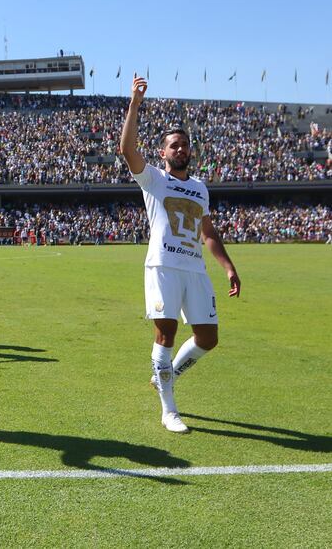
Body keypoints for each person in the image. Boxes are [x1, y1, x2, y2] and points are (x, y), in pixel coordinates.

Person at [119, 74, 241, 434]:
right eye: (174, 145)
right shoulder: (154, 179)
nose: (181, 149)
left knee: (208, 338)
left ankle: (165, 376)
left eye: (185, 145)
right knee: (165, 335)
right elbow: (127, 150)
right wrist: (135, 104)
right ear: (163, 152)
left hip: (195, 270)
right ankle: (169, 410)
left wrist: (229, 267)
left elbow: (208, 233)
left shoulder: (201, 189)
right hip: (163, 266)